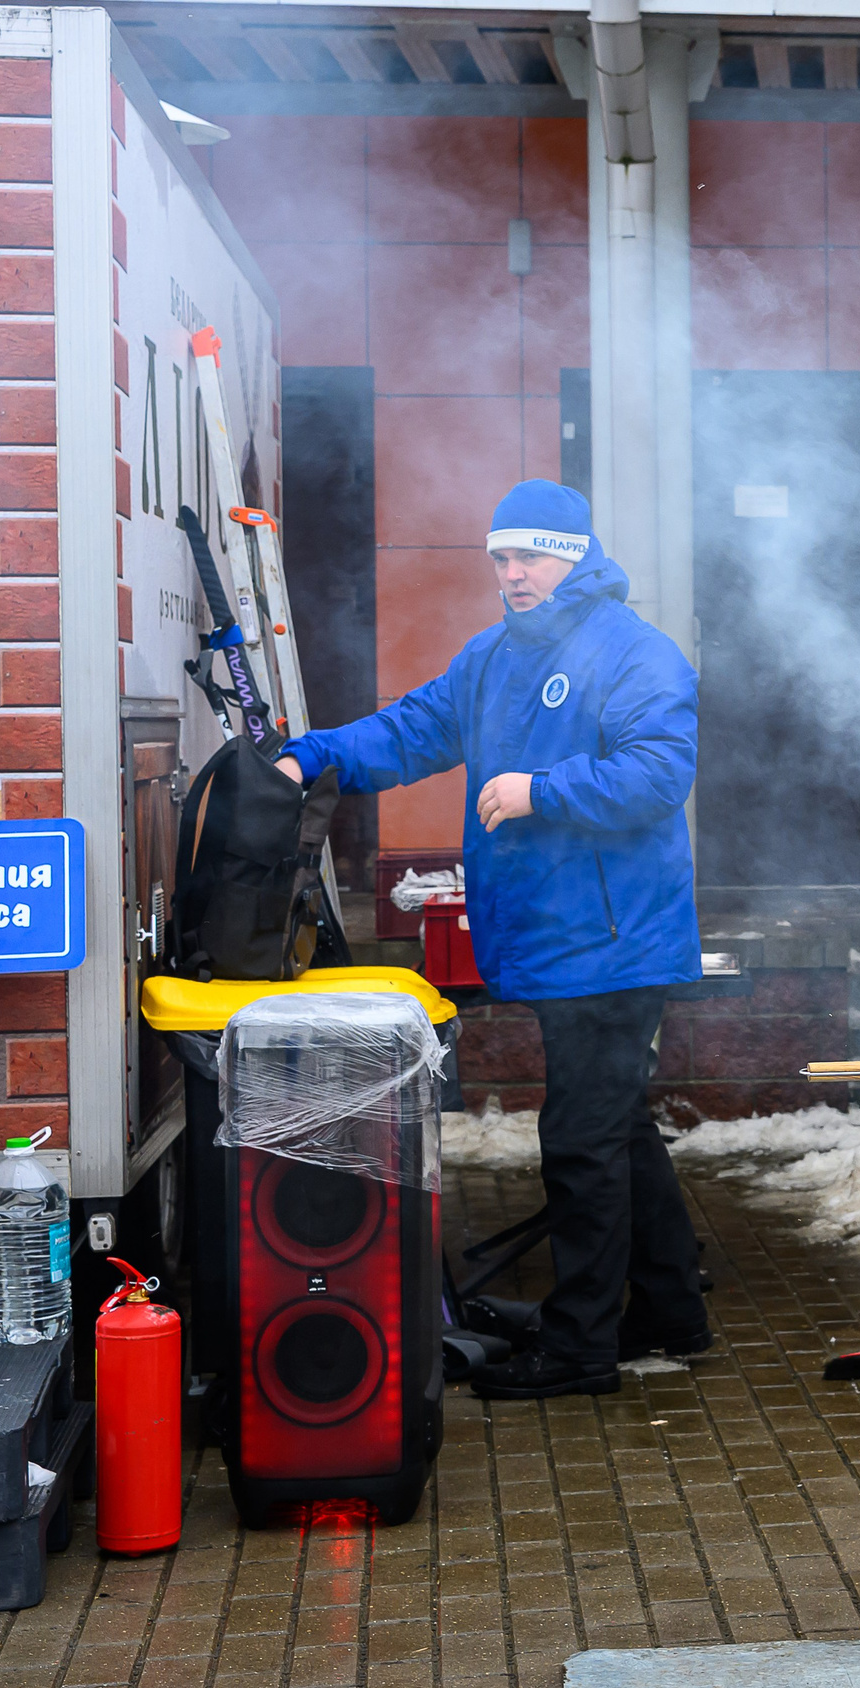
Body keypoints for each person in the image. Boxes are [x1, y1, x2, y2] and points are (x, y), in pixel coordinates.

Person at [278, 478, 709, 1401]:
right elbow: (408, 731)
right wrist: (311, 753)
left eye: (532, 555)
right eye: (502, 557)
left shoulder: (635, 653)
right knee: (618, 1128)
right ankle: (672, 1312)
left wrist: (538, 789)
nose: (513, 573)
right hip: (564, 940)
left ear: (578, 554)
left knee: (582, 1141)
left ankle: (583, 1347)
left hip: (614, 940)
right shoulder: (491, 658)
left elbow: (657, 774)